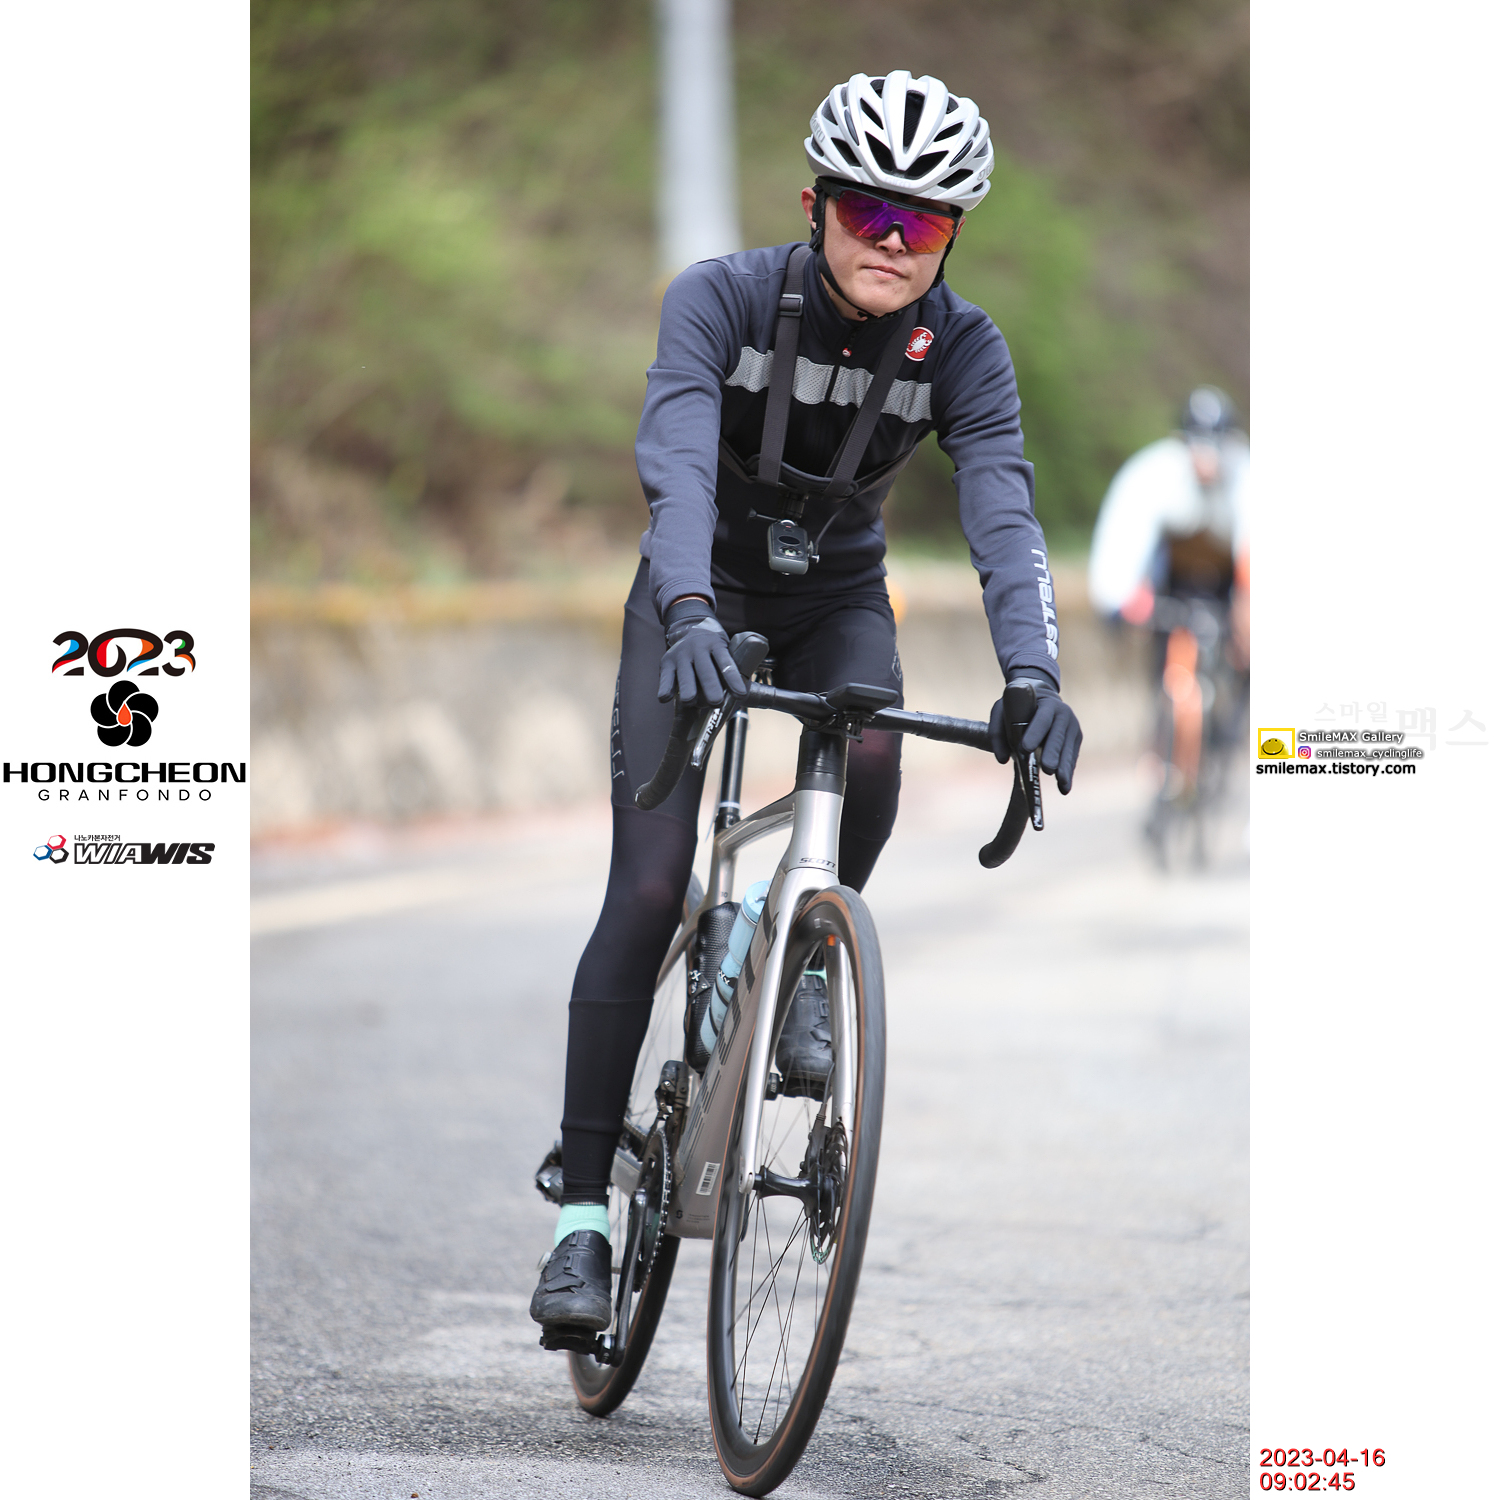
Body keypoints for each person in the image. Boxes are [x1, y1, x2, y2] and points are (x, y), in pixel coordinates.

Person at [531, 70, 1083, 1332]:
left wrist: (1034, 675)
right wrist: (686, 610)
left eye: (922, 220)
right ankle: (581, 1221)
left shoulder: (967, 350)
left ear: (954, 234)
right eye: (865, 210)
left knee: (872, 750)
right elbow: (676, 462)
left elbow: (1002, 509)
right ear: (813, 205)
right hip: (696, 590)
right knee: (649, 893)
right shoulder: (722, 298)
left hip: (837, 594)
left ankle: (812, 956)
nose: (891, 240)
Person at [1087, 385, 1250, 654]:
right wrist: (1119, 599)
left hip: (1228, 585)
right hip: (1171, 585)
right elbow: (1124, 536)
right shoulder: (1153, 474)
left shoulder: (1245, 477)